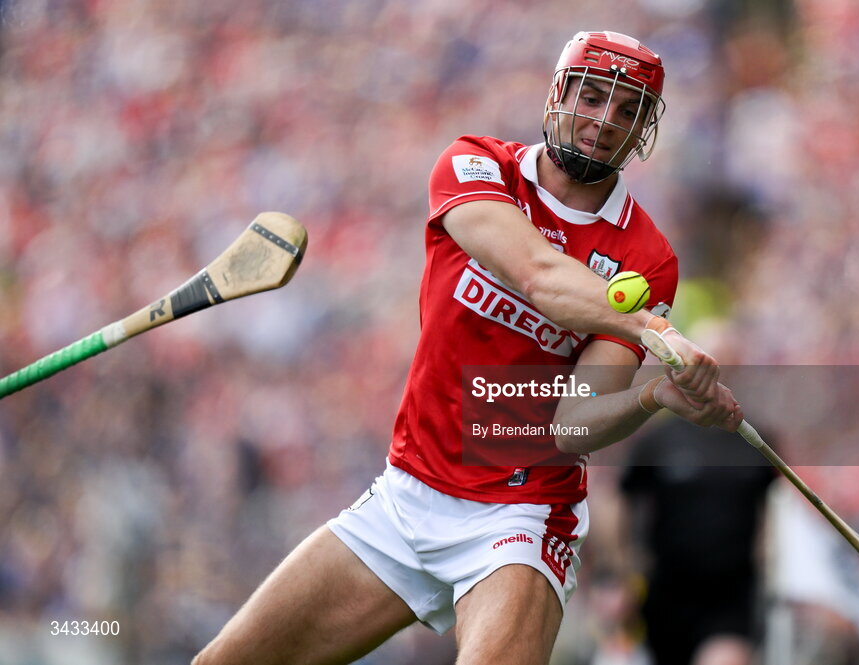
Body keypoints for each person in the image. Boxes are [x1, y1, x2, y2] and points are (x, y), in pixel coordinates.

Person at [194, 31, 743, 665]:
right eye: (593, 99)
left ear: (645, 128)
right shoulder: (476, 165)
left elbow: (572, 426)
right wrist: (653, 330)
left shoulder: (648, 258)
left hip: (521, 513)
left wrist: (654, 393)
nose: (605, 122)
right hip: (408, 493)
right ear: (559, 95)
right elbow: (538, 274)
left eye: (627, 111)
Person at [621, 419, 775, 665]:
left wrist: (771, 562)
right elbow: (624, 498)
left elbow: (778, 505)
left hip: (732, 592)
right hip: (669, 591)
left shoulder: (756, 440)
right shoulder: (659, 440)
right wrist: (624, 563)